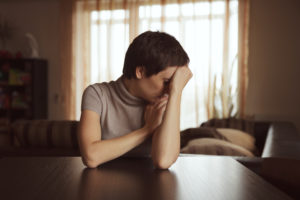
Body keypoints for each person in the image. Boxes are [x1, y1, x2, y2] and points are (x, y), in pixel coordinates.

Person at [78, 31, 193, 169]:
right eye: (167, 81)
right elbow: (91, 156)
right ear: (140, 72)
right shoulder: (97, 95)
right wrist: (147, 129)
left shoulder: (163, 101)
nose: (169, 89)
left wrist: (176, 92)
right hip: (102, 186)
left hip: (150, 186)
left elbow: (163, 161)